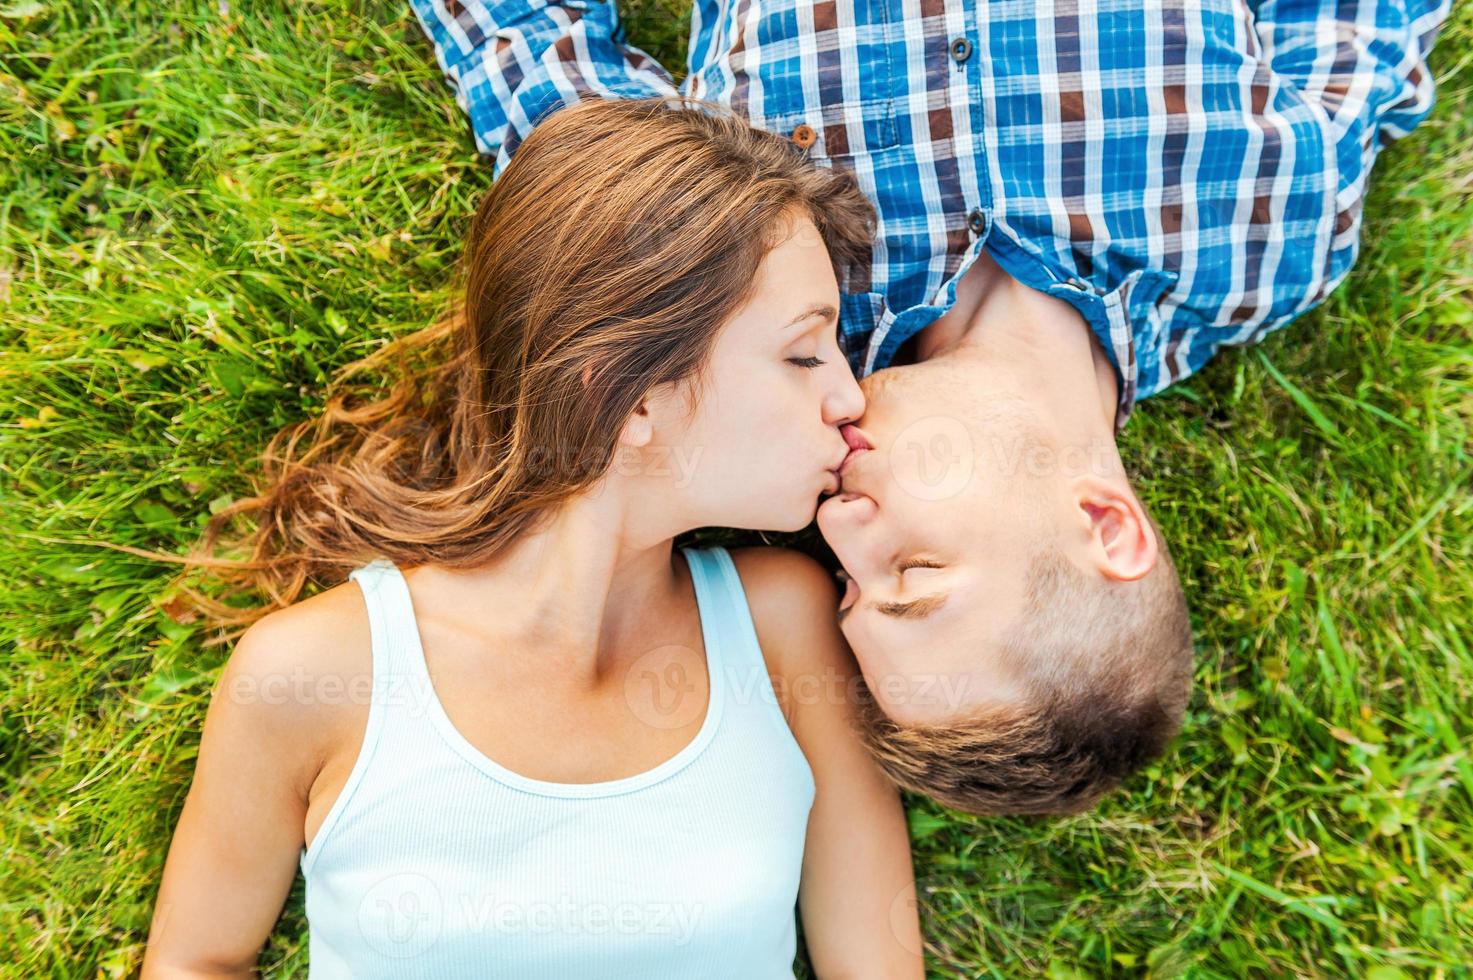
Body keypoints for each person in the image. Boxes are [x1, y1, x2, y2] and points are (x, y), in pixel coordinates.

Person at [408, 0, 1449, 813]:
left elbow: (526, 54)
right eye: (913, 574)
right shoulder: (1267, 240)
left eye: (853, 591)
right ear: (1104, 523)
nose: (837, 529)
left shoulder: (750, 296)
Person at [142, 98, 923, 977]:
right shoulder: (311, 677)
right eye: (803, 354)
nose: (851, 397)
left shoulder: (786, 630)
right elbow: (196, 960)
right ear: (629, 397)